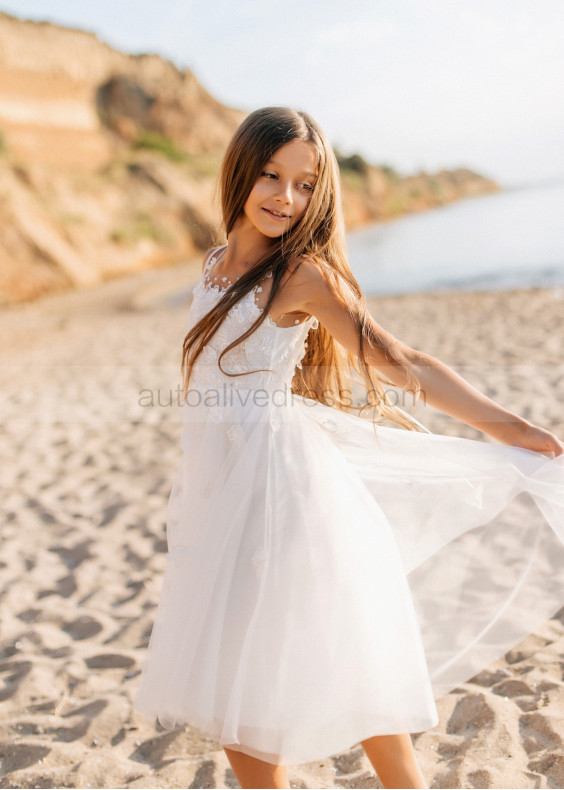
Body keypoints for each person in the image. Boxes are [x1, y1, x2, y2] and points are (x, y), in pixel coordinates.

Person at [133, 106, 564, 789]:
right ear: (241, 171)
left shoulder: (301, 277)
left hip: (282, 493)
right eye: (272, 176)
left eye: (306, 185)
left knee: (287, 688)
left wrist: (508, 426)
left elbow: (403, 362)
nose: (285, 197)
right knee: (269, 686)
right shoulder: (214, 264)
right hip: (221, 494)